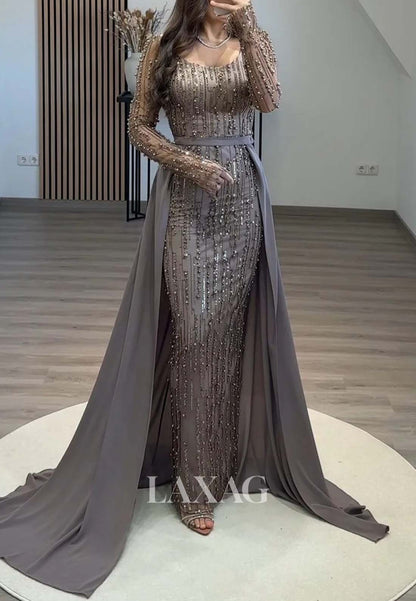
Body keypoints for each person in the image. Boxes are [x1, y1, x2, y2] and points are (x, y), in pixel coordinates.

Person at [0, 0, 389, 597]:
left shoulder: (254, 40)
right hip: (185, 203)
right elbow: (139, 128)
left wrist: (250, 25)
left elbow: (270, 99)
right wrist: (188, 162)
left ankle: (209, 467)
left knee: (225, 335)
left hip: (241, 203)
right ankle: (190, 474)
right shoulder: (163, 47)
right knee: (193, 330)